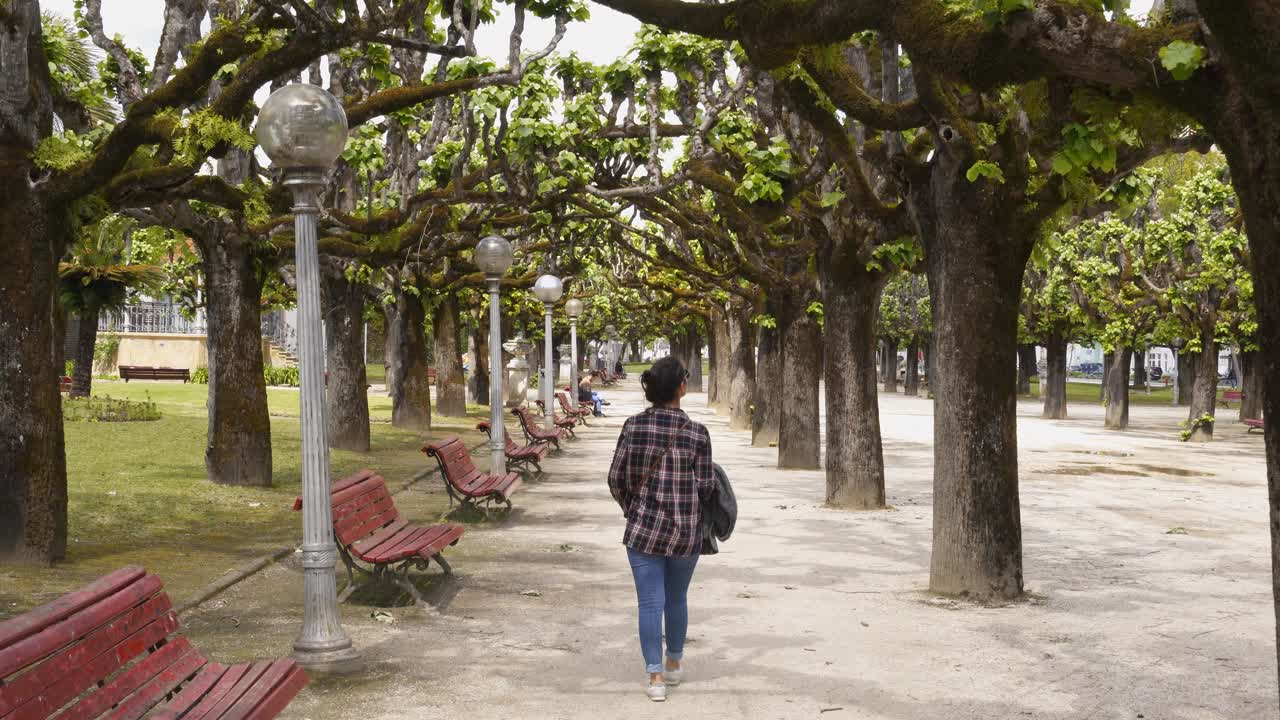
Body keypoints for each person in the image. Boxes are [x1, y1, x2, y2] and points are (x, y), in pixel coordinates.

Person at [607, 356, 714, 702]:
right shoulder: (697, 433)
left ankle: (655, 678)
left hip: (643, 530)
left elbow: (615, 478)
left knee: (650, 603)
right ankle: (674, 662)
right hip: (685, 532)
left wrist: (632, 508)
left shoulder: (633, 426)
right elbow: (706, 486)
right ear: (682, 387)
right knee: (677, 598)